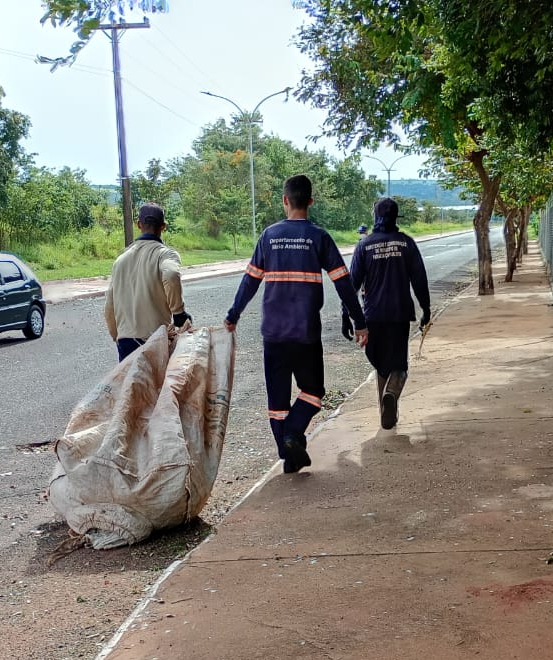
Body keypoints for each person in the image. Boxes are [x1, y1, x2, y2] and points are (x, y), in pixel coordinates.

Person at [224, 174, 368, 473]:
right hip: (305, 332)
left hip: (273, 334)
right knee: (313, 392)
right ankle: (292, 440)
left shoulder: (269, 236)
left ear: (285, 200)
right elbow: (343, 282)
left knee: (277, 402)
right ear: (310, 201)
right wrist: (359, 321)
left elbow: (250, 281)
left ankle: (289, 453)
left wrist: (233, 314)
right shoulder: (319, 237)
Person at [345, 197, 430, 430]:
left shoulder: (364, 245)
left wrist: (346, 313)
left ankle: (385, 412)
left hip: (372, 315)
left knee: (381, 364)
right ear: (395, 217)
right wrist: (426, 308)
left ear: (375, 217)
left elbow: (352, 284)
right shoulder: (406, 243)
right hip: (399, 313)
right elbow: (419, 279)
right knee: (398, 365)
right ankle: (391, 394)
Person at [104, 202, 191, 361]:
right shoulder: (165, 254)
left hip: (126, 341)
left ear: (139, 225)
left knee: (130, 379)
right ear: (163, 227)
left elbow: (110, 306)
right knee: (159, 378)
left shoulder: (120, 260)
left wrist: (116, 336)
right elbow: (171, 274)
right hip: (155, 339)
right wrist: (178, 313)